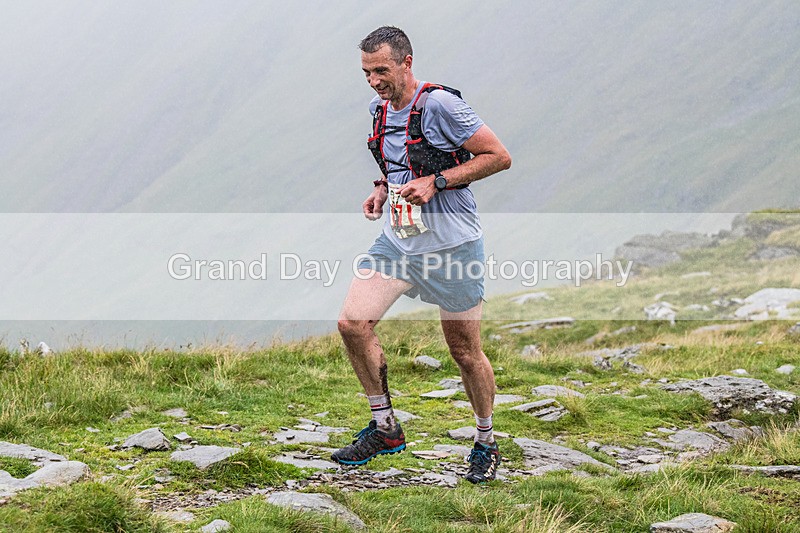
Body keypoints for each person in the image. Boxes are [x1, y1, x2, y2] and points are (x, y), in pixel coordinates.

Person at [332, 26, 512, 484]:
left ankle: (485, 441)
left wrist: (438, 182)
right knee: (352, 324)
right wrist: (382, 188)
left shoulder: (441, 105)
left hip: (453, 246)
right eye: (367, 72)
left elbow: (498, 156)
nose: (374, 81)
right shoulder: (378, 110)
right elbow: (398, 162)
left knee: (464, 352)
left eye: (382, 70)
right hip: (399, 242)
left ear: (406, 62)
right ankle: (385, 427)